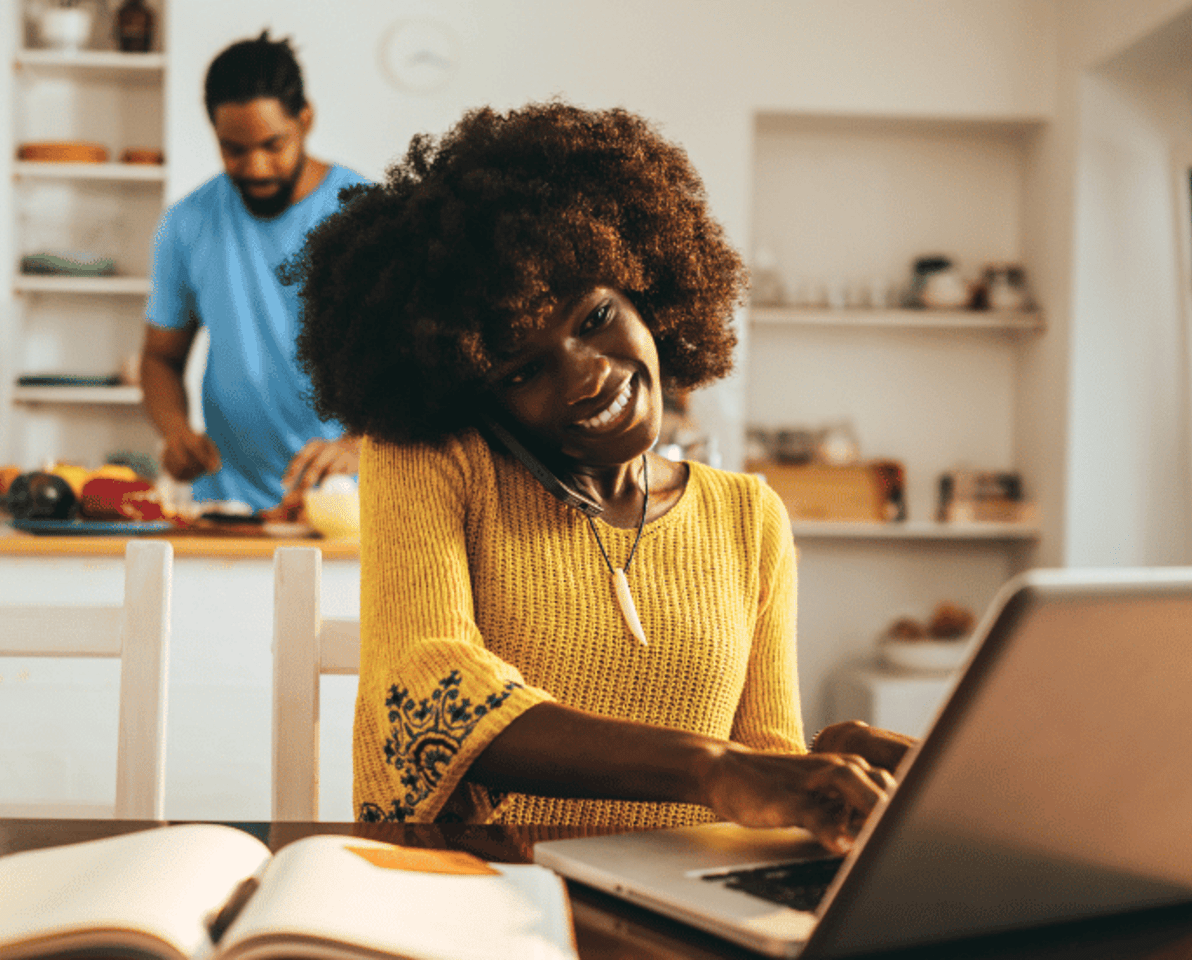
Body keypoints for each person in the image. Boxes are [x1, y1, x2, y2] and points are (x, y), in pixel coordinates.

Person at [288, 102, 916, 852]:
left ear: (647, 291)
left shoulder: (749, 517)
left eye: (594, 318)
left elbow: (765, 769)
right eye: (523, 369)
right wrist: (712, 768)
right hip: (469, 904)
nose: (588, 375)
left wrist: (822, 771)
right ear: (472, 389)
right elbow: (432, 689)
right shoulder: (429, 461)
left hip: (676, 921)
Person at [139, 31, 368, 511]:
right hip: (228, 505)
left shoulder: (364, 213)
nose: (256, 166)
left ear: (305, 120)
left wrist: (357, 445)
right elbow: (160, 358)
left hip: (345, 506)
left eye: (273, 144)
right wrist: (176, 432)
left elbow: (417, 369)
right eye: (234, 149)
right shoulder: (187, 223)